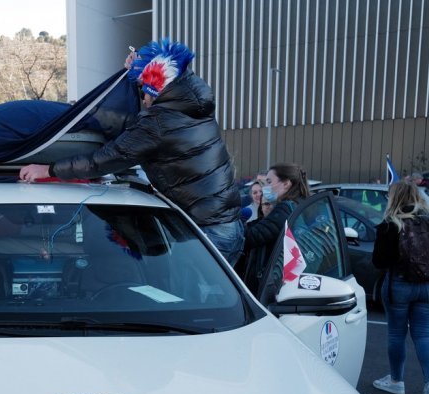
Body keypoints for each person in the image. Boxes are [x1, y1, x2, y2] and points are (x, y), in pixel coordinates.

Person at [18, 39, 243, 266]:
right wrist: (137, 69)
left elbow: (106, 159)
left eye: (146, 91)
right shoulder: (193, 106)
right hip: (226, 226)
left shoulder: (159, 123)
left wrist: (48, 169)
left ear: (158, 91)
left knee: (199, 301)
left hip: (209, 233)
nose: (144, 99)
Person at [371, 179, 429, 394]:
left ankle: (396, 381)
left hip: (399, 285)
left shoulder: (389, 225)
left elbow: (379, 262)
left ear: (393, 198)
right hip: (426, 285)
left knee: (396, 334)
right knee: (424, 335)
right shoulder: (427, 221)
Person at [240, 163, 311, 295]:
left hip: (275, 282)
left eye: (269, 182)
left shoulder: (285, 208)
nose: (265, 188)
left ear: (286, 184)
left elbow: (252, 237)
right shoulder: (301, 204)